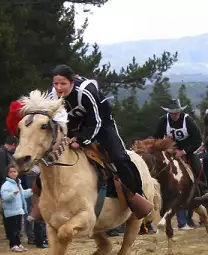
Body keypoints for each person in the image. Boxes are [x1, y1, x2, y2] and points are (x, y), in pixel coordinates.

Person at [45, 64, 153, 218]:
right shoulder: (51, 96)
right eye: (56, 84)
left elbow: (96, 121)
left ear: (72, 83)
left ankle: (136, 194)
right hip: (73, 127)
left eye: (63, 83)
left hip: (102, 125)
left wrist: (82, 140)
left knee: (120, 158)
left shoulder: (86, 92)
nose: (59, 87)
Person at [154, 98, 203, 180]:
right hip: (170, 149)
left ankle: (203, 186)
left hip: (188, 149)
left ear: (180, 111)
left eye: (176, 113)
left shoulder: (188, 121)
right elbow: (157, 137)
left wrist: (183, 152)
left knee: (198, 168)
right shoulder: (163, 121)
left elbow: (198, 140)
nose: (174, 115)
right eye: (172, 113)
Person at [1, 165, 33, 252]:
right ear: (7, 174)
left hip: (18, 210)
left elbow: (22, 194)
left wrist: (31, 191)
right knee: (12, 229)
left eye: (14, 171)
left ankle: (18, 244)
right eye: (10, 172)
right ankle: (13, 245)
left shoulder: (18, 183)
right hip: (10, 211)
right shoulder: (6, 185)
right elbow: (5, 197)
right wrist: (12, 194)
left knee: (18, 229)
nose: (13, 173)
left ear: (18, 173)